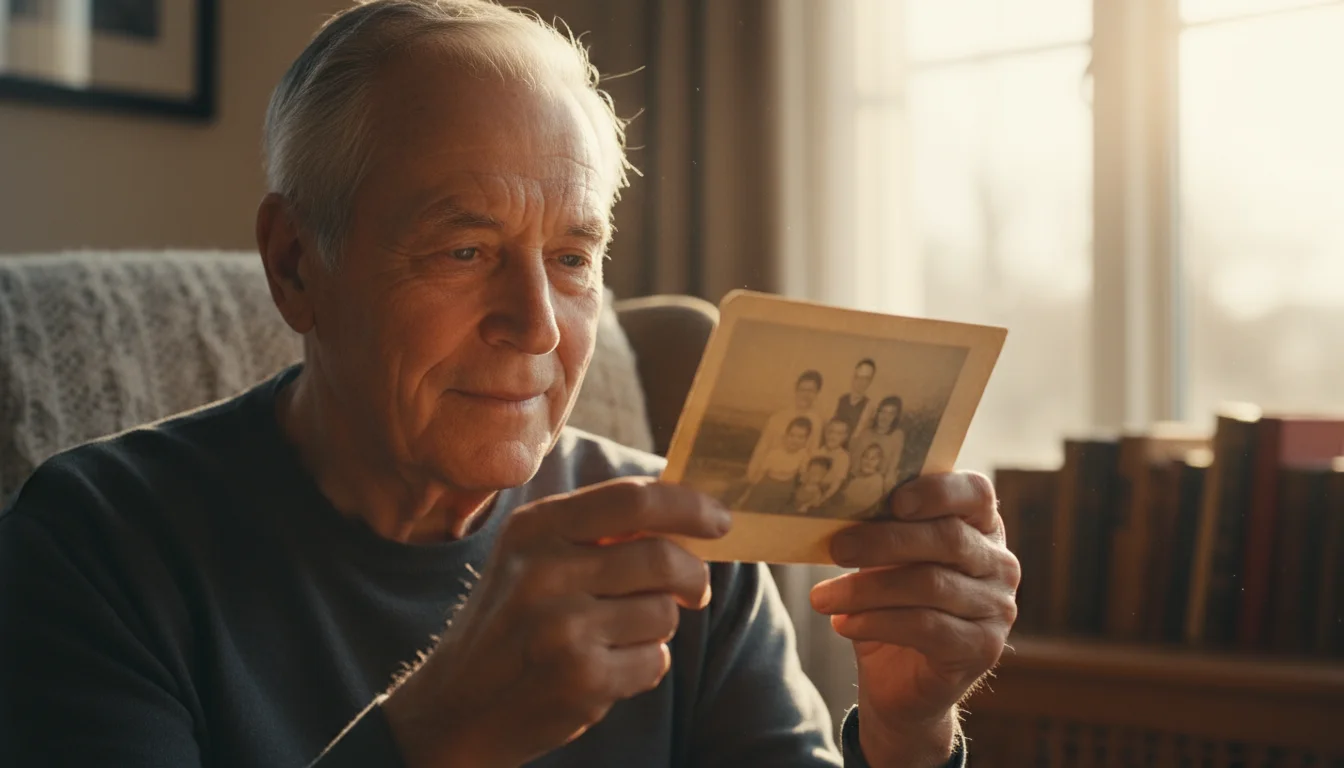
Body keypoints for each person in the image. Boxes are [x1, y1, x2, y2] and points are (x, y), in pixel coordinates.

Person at [0, 2, 1020, 766]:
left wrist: (909, 728)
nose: (536, 323)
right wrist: (439, 733)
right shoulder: (93, 543)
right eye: (463, 249)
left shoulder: (688, 545)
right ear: (297, 265)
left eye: (573, 258)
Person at [744, 369, 825, 481]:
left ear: (817, 393)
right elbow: (763, 447)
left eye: (811, 391)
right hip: (767, 472)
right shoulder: (778, 417)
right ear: (796, 390)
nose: (806, 394)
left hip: (792, 476)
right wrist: (752, 474)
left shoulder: (816, 421)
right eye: (802, 389)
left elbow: (812, 452)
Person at [736, 417, 811, 514]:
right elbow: (760, 474)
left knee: (777, 512)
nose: (795, 440)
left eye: (801, 437)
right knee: (754, 508)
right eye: (792, 435)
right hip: (767, 485)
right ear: (786, 436)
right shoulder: (775, 454)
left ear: (806, 440)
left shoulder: (803, 455)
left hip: (785, 489)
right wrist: (749, 489)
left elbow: (803, 474)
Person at [849, 395, 907, 494]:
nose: (885, 417)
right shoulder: (866, 433)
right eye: (882, 411)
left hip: (879, 484)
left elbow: (893, 465)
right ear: (877, 413)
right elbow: (854, 462)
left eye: (891, 414)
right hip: (858, 480)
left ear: (895, 417)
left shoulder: (897, 435)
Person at [829, 444, 889, 520]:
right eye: (865, 457)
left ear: (880, 462)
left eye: (873, 459)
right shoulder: (856, 478)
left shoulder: (877, 480)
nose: (868, 461)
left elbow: (865, 506)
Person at [806, 418, 853, 509]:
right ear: (825, 433)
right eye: (831, 431)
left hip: (828, 493)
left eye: (839, 434)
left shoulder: (843, 457)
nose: (833, 436)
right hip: (811, 488)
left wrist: (822, 499)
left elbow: (836, 484)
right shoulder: (817, 452)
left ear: (845, 437)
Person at [831, 358, 877, 447]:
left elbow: (859, 437)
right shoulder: (840, 399)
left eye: (866, 379)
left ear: (870, 381)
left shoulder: (870, 407)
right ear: (854, 377)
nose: (862, 382)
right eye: (859, 377)